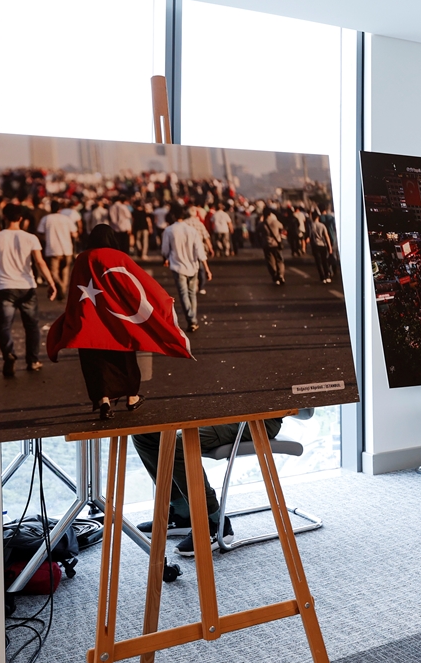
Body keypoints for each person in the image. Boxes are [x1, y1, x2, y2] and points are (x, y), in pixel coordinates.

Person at [47, 224, 192, 419]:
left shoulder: (82, 258)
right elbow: (138, 284)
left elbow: (76, 290)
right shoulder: (118, 257)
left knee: (95, 363)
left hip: (89, 320)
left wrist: (72, 317)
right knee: (125, 359)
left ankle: (103, 402)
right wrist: (161, 300)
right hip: (117, 319)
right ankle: (132, 398)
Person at [132, 416, 284, 555]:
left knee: (180, 443)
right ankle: (182, 512)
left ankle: (213, 521)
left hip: (255, 419)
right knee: (144, 434)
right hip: (218, 412)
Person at [0, 203, 57, 377]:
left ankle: (9, 354)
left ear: (4, 217)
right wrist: (51, 282)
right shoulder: (31, 238)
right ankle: (33, 360)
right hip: (27, 287)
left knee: (4, 326)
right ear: (21, 218)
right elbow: (40, 262)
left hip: (4, 288)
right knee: (31, 326)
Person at [160, 210, 210, 333]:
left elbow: (165, 250)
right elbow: (200, 251)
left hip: (178, 266)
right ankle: (193, 318)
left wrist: (166, 258)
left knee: (183, 294)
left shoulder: (169, 230)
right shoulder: (192, 230)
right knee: (192, 293)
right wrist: (207, 269)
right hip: (193, 266)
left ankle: (191, 319)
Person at [37, 200, 76, 299]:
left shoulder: (46, 219)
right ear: (60, 209)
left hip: (53, 248)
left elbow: (40, 232)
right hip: (67, 248)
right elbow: (74, 233)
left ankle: (59, 286)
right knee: (65, 271)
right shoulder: (66, 219)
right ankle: (63, 289)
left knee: (54, 272)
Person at [260, 207, 286, 285]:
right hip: (276, 244)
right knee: (279, 260)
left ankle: (275, 275)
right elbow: (282, 227)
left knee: (270, 261)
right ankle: (281, 275)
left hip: (267, 244)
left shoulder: (262, 223)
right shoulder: (275, 222)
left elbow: (257, 230)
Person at [308, 211, 334, 283]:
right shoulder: (322, 225)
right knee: (324, 261)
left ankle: (322, 277)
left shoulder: (311, 226)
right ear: (318, 217)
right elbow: (326, 237)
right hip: (323, 245)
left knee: (318, 262)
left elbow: (310, 236)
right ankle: (327, 276)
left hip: (315, 245)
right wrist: (330, 247)